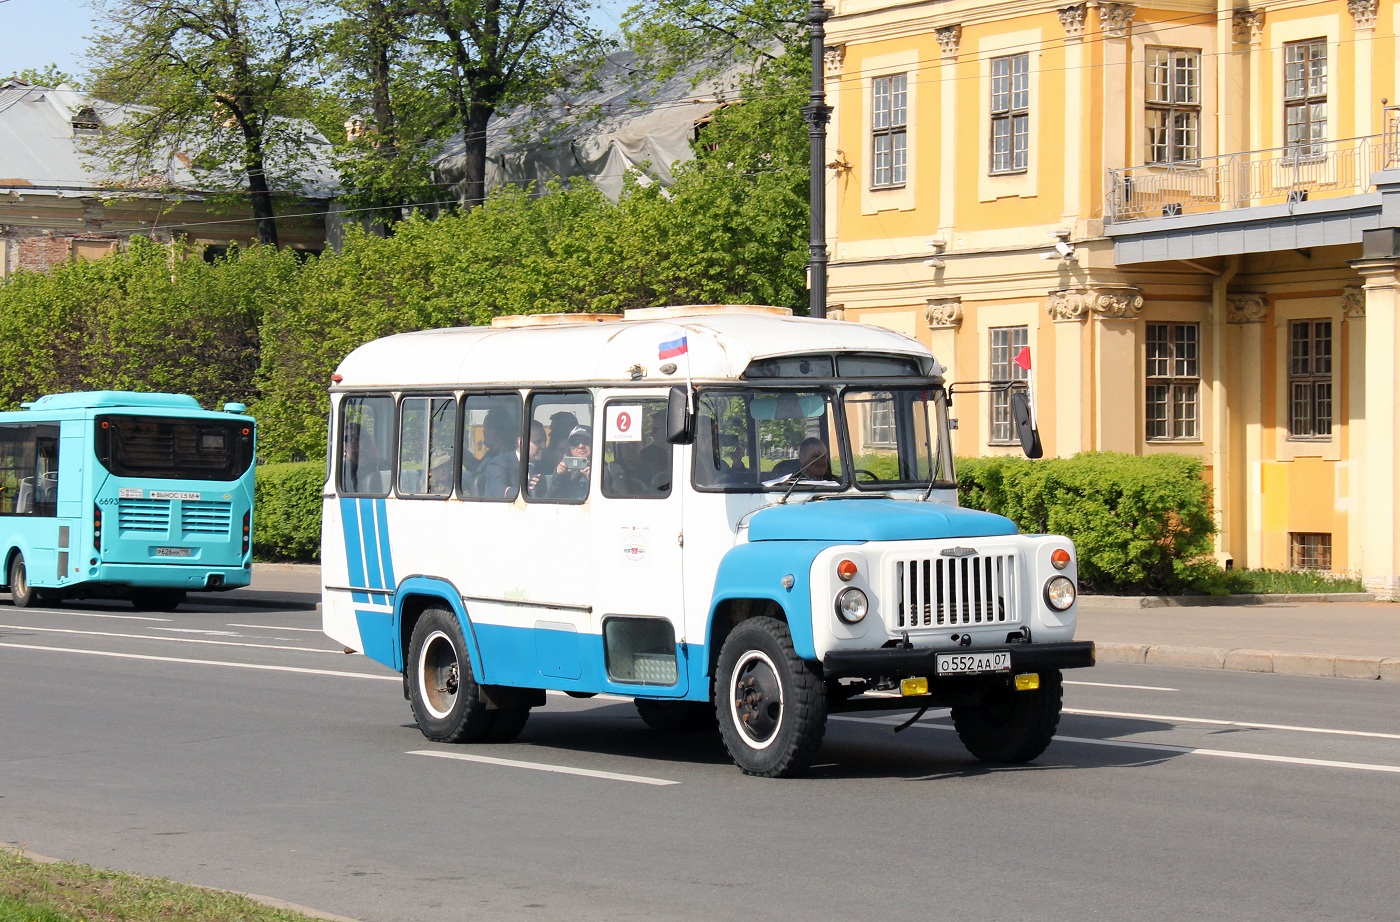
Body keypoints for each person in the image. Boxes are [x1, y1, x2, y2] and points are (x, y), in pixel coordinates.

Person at [476, 408, 520, 499]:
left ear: (494, 431)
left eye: (486, 429)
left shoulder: (503, 458)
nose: (483, 432)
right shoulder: (492, 452)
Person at [552, 426, 592, 499]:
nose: (581, 446)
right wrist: (560, 478)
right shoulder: (565, 472)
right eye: (575, 442)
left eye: (585, 441)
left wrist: (596, 481)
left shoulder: (610, 469)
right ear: (569, 448)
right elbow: (549, 500)